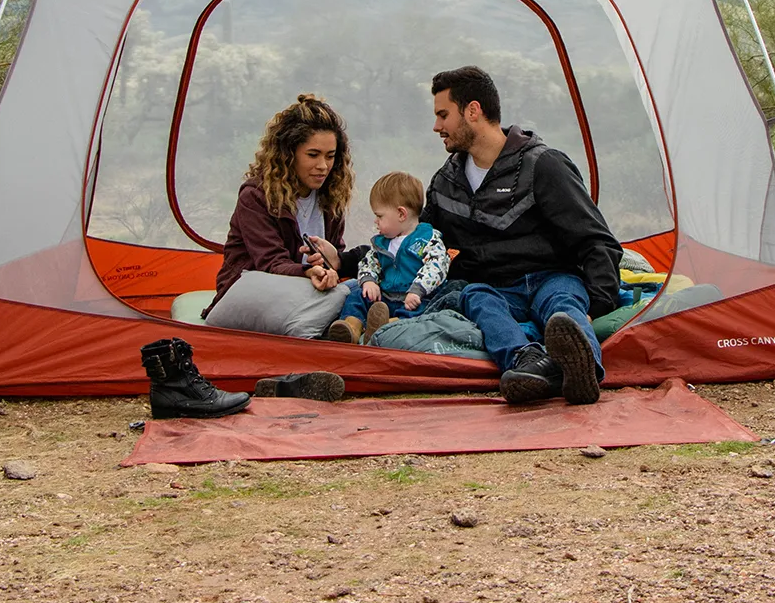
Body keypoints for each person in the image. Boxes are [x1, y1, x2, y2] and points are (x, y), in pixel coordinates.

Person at [423, 66, 623, 405]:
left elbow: (595, 240)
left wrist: (599, 304)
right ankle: (526, 364)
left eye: (443, 115)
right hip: (495, 288)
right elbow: (419, 242)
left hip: (552, 277)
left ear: (473, 111)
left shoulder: (544, 165)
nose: (436, 126)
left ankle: (583, 369)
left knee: (563, 306)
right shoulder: (446, 182)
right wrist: (347, 261)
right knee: (476, 296)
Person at [203, 93, 358, 404]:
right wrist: (309, 272)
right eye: (313, 155)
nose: (323, 166)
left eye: (330, 156)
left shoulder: (330, 197)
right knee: (343, 295)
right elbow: (269, 263)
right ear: (289, 154)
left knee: (362, 287)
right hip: (248, 290)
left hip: (303, 296)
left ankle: (293, 376)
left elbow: (335, 254)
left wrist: (331, 268)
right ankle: (315, 357)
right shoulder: (256, 196)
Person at [326, 171, 451, 345]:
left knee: (422, 311)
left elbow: (437, 266)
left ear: (401, 214)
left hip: (413, 298)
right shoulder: (382, 242)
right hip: (385, 295)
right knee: (357, 295)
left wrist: (418, 290)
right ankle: (352, 326)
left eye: (379, 216)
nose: (375, 221)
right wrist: (369, 281)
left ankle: (384, 326)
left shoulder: (427, 239)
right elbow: (369, 262)